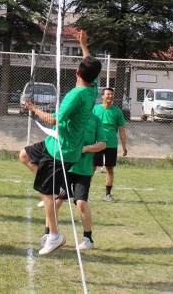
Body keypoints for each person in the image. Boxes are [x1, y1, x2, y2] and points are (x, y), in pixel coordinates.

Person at [20, 30, 100, 255]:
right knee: (24, 155)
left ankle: (54, 236)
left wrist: (33, 108)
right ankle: (54, 190)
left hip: (62, 151)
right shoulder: (93, 90)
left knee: (46, 194)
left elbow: (54, 120)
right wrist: (84, 44)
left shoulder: (75, 95)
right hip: (55, 144)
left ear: (77, 71)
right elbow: (90, 66)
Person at [44, 111, 106, 250]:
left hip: (83, 170)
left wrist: (85, 149)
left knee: (82, 203)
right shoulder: (66, 117)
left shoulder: (95, 120)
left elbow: (102, 144)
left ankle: (88, 239)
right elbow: (54, 137)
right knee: (56, 200)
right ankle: (48, 234)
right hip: (64, 167)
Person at [92, 87, 127, 202]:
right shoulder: (95, 110)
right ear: (102, 96)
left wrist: (124, 146)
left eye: (112, 94)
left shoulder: (117, 112)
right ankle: (84, 194)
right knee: (91, 168)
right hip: (97, 143)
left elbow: (122, 130)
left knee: (110, 169)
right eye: (108, 94)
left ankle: (108, 194)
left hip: (111, 144)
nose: (110, 96)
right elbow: (90, 125)